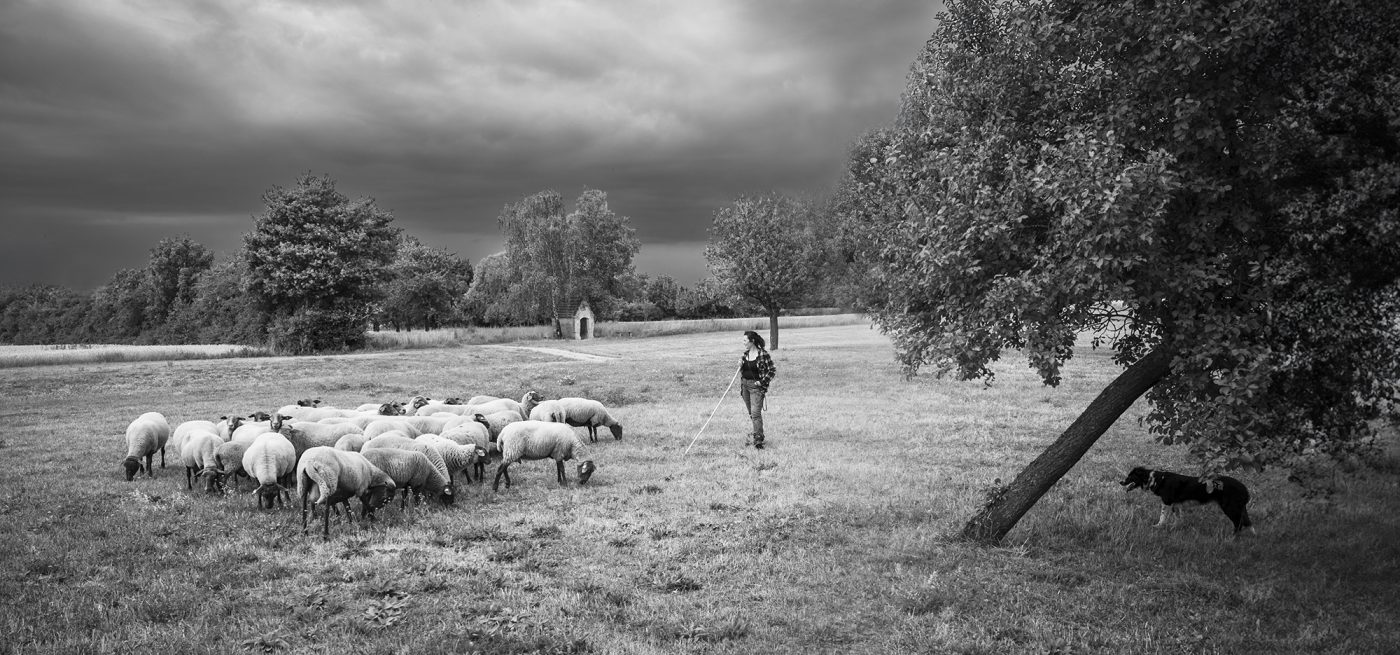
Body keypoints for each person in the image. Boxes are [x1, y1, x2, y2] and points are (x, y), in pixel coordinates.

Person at [738, 330, 776, 449]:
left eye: (745, 340)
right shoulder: (745, 355)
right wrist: (740, 365)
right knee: (752, 413)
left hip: (756, 387)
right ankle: (756, 431)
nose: (743, 342)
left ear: (752, 341)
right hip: (745, 386)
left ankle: (758, 439)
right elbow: (744, 371)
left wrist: (762, 382)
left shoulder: (762, 354)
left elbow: (772, 370)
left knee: (755, 413)